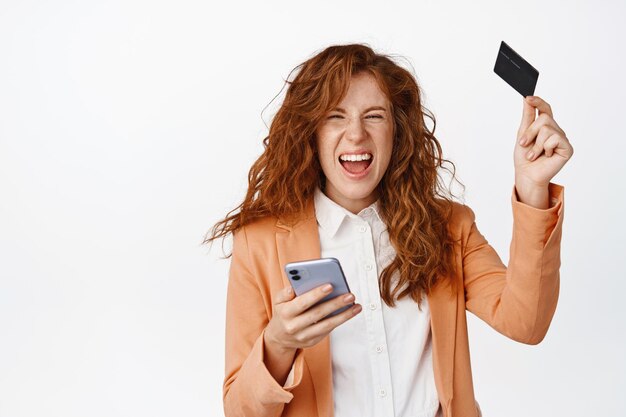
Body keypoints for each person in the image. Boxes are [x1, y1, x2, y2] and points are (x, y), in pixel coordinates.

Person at [205, 43, 573, 417]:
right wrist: (278, 343)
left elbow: (526, 322)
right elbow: (240, 410)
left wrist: (532, 189)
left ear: (397, 131)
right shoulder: (259, 243)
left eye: (374, 116)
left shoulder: (449, 227)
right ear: (310, 133)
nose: (355, 135)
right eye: (335, 116)